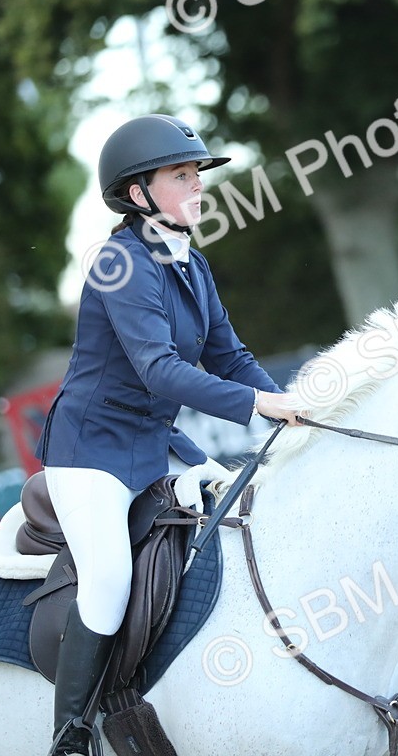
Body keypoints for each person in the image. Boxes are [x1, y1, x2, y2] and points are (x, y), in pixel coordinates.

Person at [35, 113, 301, 756]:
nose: (198, 185)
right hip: (92, 453)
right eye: (181, 175)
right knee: (108, 581)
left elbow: (230, 356)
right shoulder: (118, 263)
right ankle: (70, 736)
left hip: (157, 447)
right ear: (138, 193)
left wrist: (292, 406)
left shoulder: (192, 265)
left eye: (196, 174)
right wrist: (256, 403)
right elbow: (158, 369)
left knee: (240, 518)